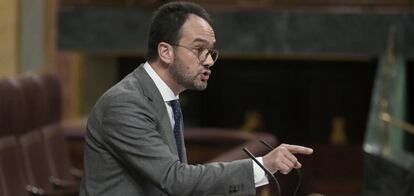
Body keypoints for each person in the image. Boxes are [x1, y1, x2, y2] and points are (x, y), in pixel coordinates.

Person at [79, 1, 313, 195]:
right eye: (199, 49)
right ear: (165, 51)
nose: (209, 61)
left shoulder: (165, 98)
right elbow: (176, 180)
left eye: (211, 52)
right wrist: (263, 166)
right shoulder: (125, 104)